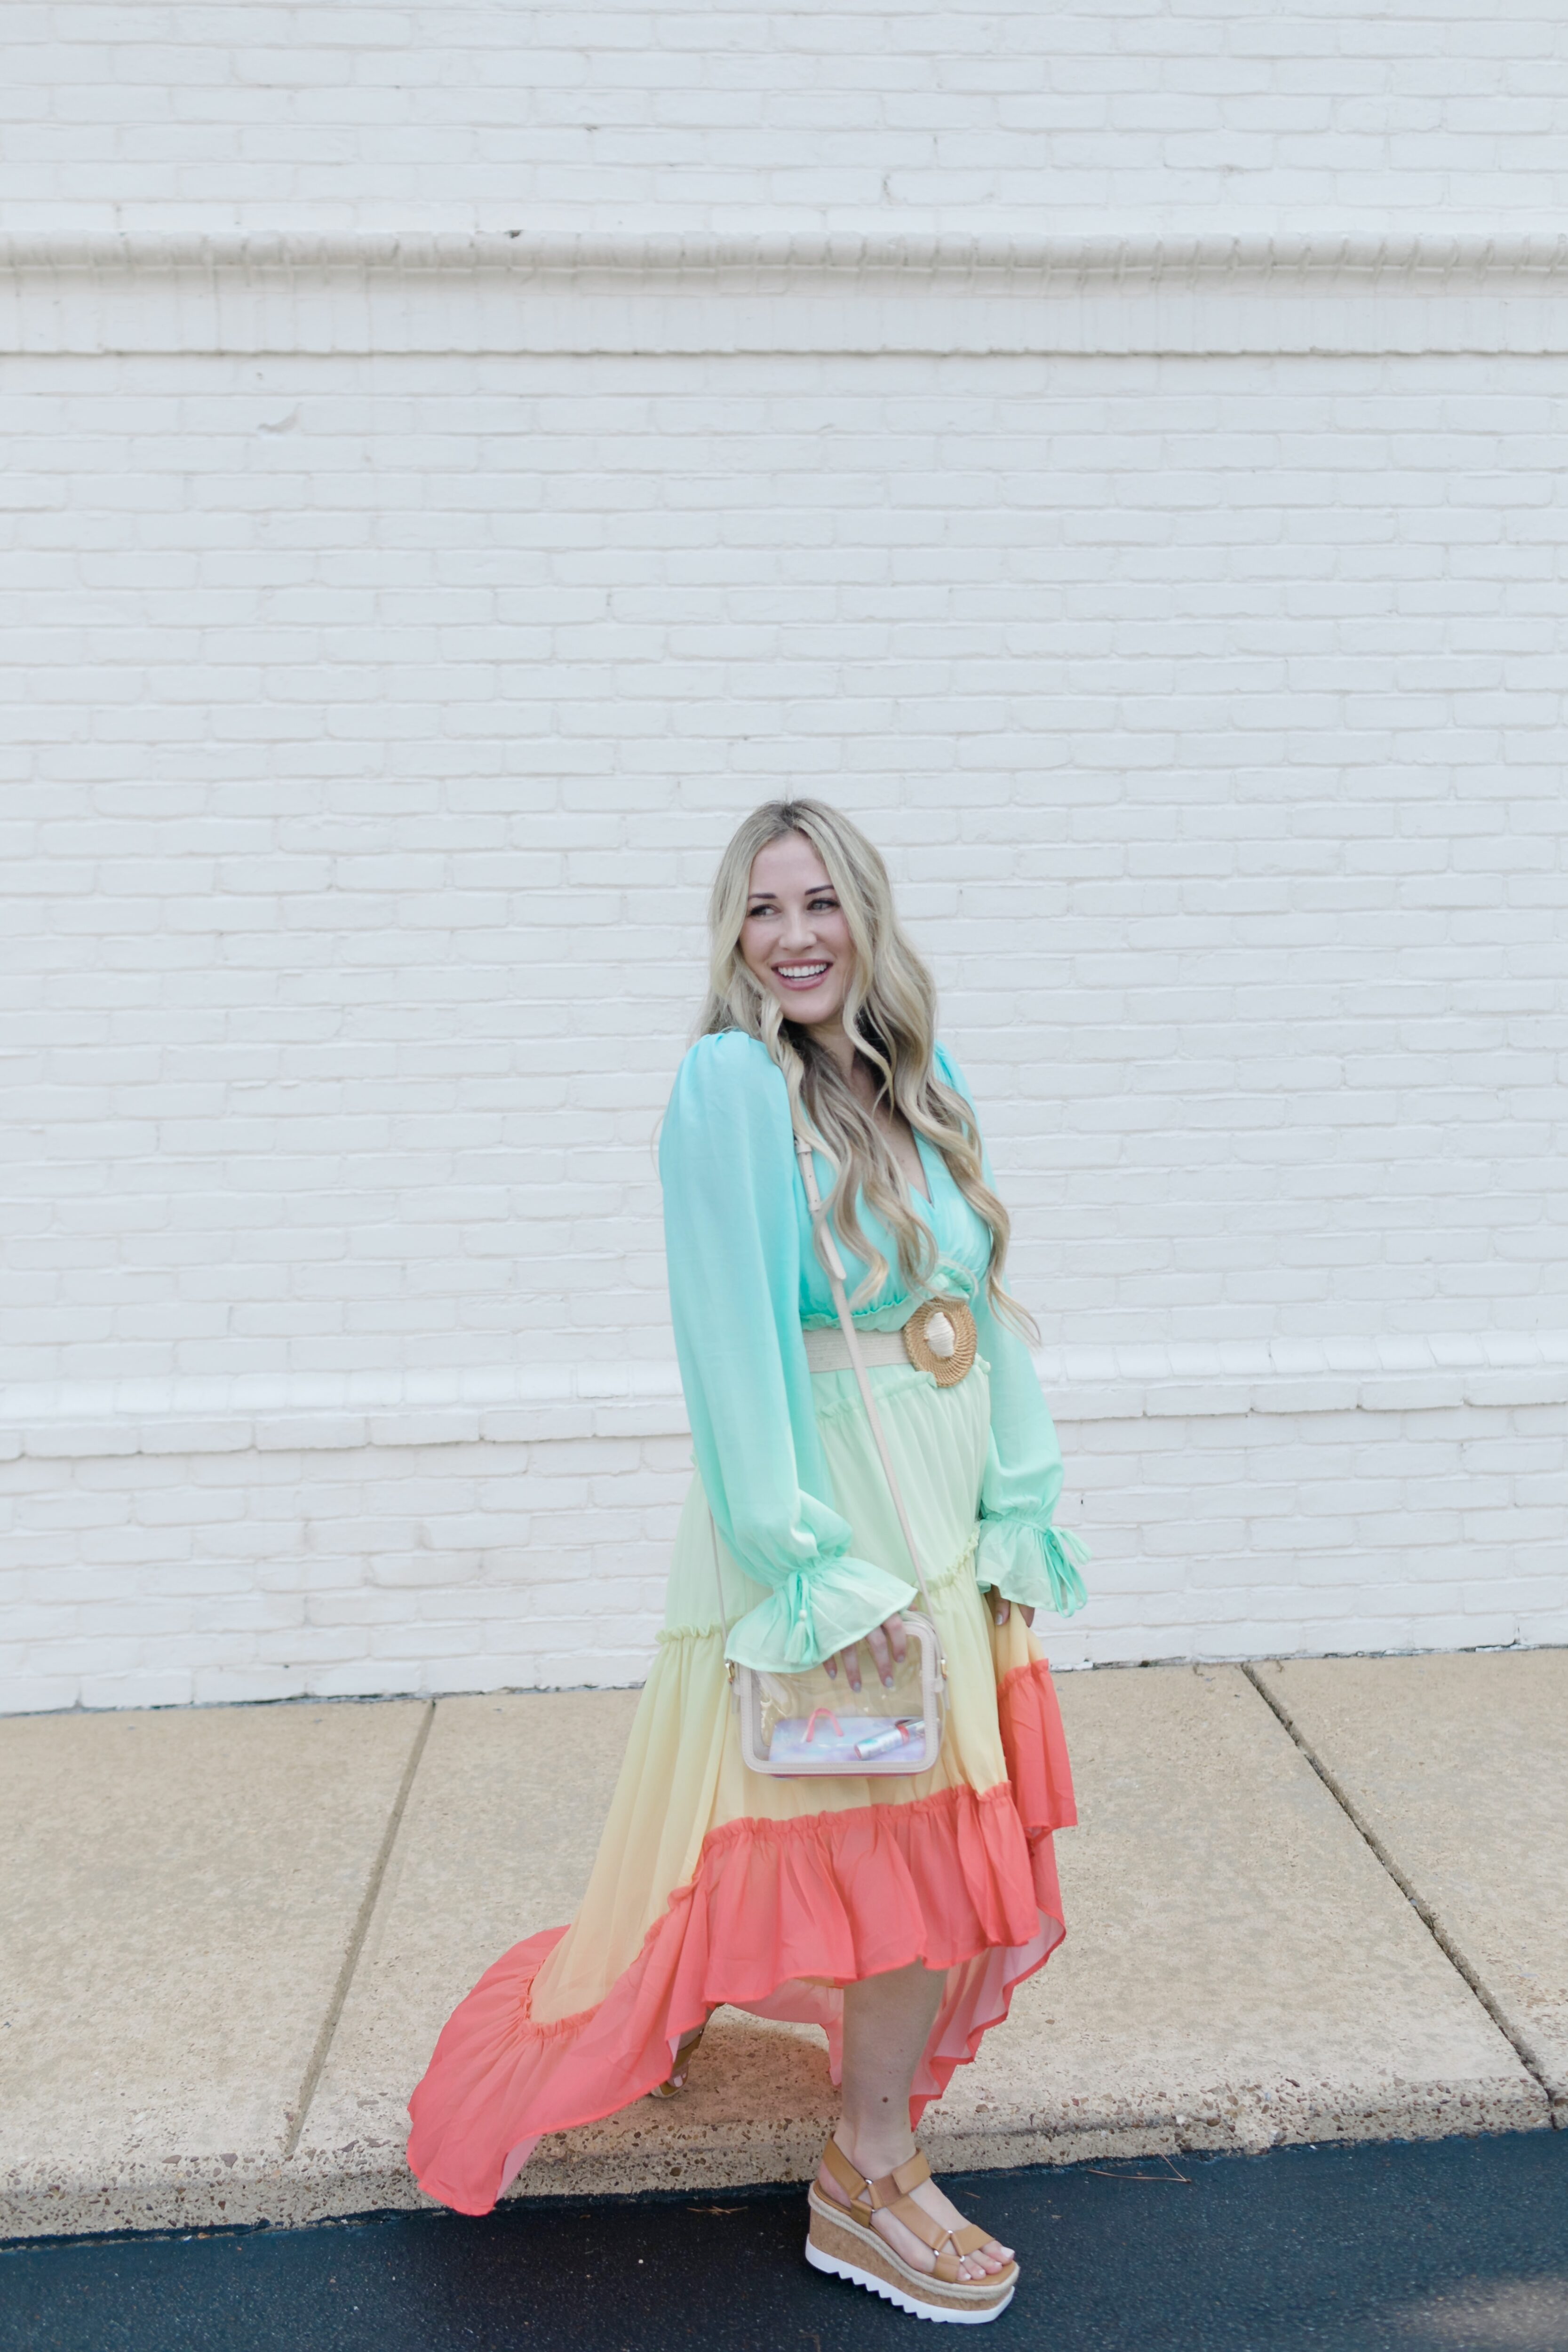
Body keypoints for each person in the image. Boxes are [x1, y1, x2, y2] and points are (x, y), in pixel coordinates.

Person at [408, 799, 1086, 2324]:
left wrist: (1019, 1499)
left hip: (946, 1492)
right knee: (896, 1843)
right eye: (763, 910)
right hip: (832, 1515)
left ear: (868, 917)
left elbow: (977, 1303)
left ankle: (866, 2147)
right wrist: (799, 1557)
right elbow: (727, 1338)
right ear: (732, 935)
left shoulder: (919, 1072)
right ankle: (868, 2175)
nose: (794, 936)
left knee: (929, 1834)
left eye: (821, 903)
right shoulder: (730, 1085)